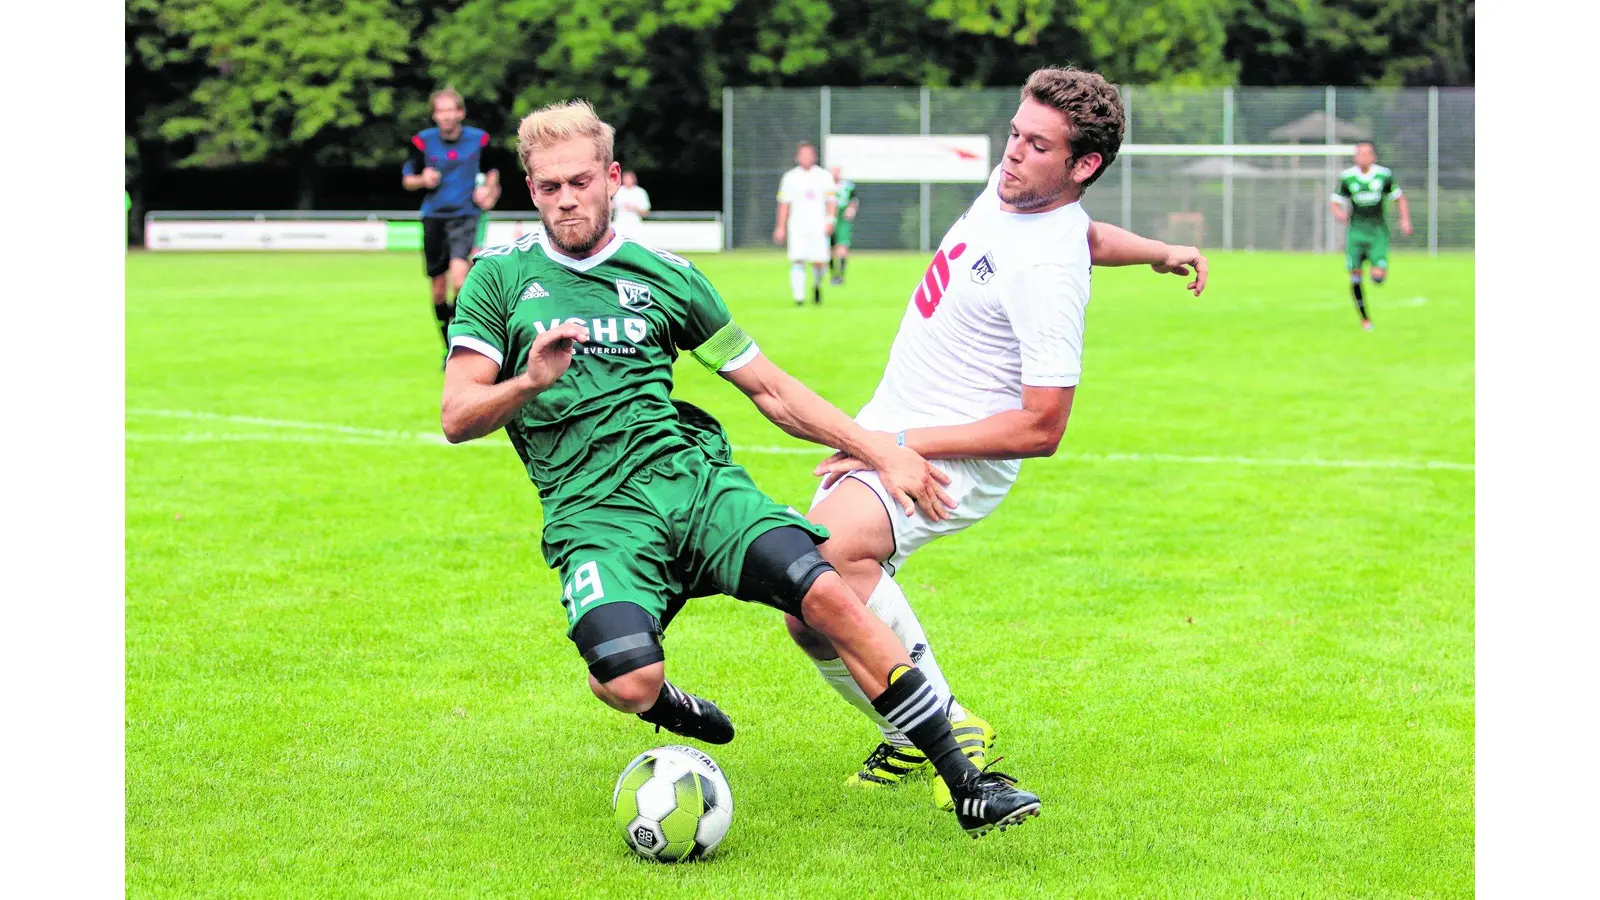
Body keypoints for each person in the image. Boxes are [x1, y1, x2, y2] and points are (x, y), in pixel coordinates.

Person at [441, 99, 1042, 837]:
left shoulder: (666, 276)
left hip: (693, 486)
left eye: (580, 181)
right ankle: (666, 705)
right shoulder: (499, 281)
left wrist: (882, 448)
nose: (566, 198)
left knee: (824, 592)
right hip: (596, 516)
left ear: (613, 179)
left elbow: (770, 388)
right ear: (530, 189)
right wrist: (528, 382)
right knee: (625, 681)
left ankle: (967, 782)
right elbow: (456, 416)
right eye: (549, 186)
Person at [778, 66, 1209, 811]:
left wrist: (895, 442)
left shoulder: (1049, 274)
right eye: (1014, 132)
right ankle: (910, 731)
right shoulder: (1025, 197)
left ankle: (944, 725)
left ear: (1083, 165)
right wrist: (1159, 251)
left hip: (952, 454)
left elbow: (1043, 427)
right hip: (897, 429)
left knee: (823, 558)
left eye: (1036, 145)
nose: (1012, 153)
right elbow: (1090, 232)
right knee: (809, 613)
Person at [403, 87, 503, 355]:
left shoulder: (478, 140)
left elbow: (492, 173)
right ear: (435, 116)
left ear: (460, 112)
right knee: (438, 290)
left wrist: (489, 191)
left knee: (460, 281)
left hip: (465, 216)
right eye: (441, 111)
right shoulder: (422, 142)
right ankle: (447, 344)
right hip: (434, 217)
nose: (446, 116)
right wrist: (422, 180)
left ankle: (462, 340)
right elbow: (407, 179)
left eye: (451, 110)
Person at [1330, 140, 1411, 330]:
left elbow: (1399, 198)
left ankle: (1378, 270)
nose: (1363, 157)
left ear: (1373, 157)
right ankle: (1365, 318)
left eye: (1367, 154)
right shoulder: (1347, 178)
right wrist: (1339, 213)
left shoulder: (1383, 176)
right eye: (1359, 154)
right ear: (1355, 157)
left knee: (1377, 277)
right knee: (1355, 276)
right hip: (1356, 233)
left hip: (1377, 233)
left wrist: (1404, 219)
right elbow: (1335, 202)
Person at [774, 143, 836, 306]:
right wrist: (780, 227)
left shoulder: (824, 176)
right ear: (797, 156)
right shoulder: (790, 177)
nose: (806, 157)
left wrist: (830, 220)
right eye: (803, 154)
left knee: (819, 261)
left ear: (814, 156)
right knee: (797, 259)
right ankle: (799, 298)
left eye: (809, 154)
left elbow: (831, 201)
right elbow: (784, 203)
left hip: (818, 225)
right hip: (797, 225)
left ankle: (816, 286)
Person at [828, 166, 859, 286]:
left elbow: (854, 200)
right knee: (829, 248)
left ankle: (840, 275)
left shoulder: (847, 186)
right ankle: (832, 274)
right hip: (829, 218)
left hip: (842, 219)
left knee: (842, 246)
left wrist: (851, 210)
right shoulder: (826, 185)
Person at [612, 170, 652, 238]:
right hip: (619, 226)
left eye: (629, 178)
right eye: (625, 178)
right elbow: (612, 205)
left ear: (633, 179)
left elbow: (646, 212)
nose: (627, 180)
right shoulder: (618, 191)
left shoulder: (640, 192)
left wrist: (633, 208)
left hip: (634, 227)